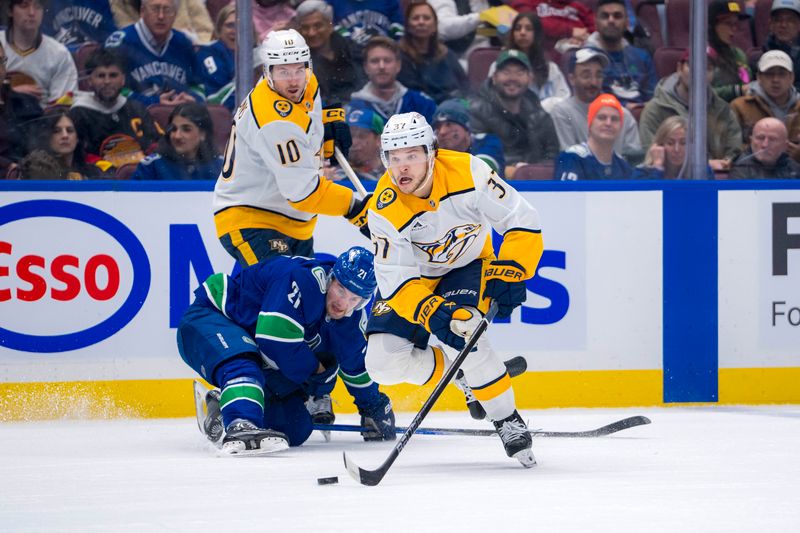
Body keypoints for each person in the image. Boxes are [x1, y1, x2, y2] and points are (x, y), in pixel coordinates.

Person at [364, 112, 542, 467]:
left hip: (467, 266)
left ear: (432, 152)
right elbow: (396, 279)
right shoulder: (383, 208)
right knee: (381, 364)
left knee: (466, 329)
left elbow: (520, 218)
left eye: (412, 155)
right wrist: (428, 309)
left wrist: (515, 268)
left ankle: (506, 418)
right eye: (394, 158)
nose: (403, 168)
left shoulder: (469, 172)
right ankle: (460, 373)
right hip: (415, 281)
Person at [177, 246, 396, 454]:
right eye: (340, 290)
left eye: (354, 299)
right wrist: (317, 372)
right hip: (212, 319)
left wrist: (374, 407)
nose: (343, 303)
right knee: (244, 366)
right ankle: (239, 423)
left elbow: (355, 368)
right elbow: (274, 339)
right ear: (331, 278)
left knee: (296, 427)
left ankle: (223, 405)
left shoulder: (351, 319)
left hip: (256, 347)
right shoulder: (303, 279)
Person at [213, 29, 368, 267]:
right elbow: (302, 193)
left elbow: (308, 117)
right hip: (253, 219)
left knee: (297, 300)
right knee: (281, 293)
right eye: (284, 71)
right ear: (268, 72)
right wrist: (355, 209)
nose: (294, 80)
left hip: (295, 223)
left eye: (299, 69)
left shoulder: (306, 83)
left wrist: (327, 124)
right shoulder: (274, 122)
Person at [639, 50, 743, 171]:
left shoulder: (724, 110)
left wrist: (726, 163)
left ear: (713, 75)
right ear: (679, 68)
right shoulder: (655, 109)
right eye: (693, 66)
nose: (699, 73)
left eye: (707, 68)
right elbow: (651, 155)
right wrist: (705, 164)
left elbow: (734, 154)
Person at [469, 49, 559, 177]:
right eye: (506, 72)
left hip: (535, 187)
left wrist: (531, 171)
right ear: (494, 77)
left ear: (530, 78)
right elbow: (477, 158)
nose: (513, 78)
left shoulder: (540, 115)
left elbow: (552, 157)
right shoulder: (477, 111)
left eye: (520, 73)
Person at [70, 48, 162, 168]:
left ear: (123, 79)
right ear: (89, 81)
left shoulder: (136, 108)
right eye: (101, 76)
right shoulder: (78, 113)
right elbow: (76, 158)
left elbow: (158, 144)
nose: (107, 81)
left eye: (113, 75)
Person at [104, 0, 204, 106]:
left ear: (175, 14)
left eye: (167, 10)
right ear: (142, 11)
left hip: (180, 115)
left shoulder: (184, 43)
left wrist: (193, 98)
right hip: (134, 116)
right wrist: (153, 103)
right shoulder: (121, 43)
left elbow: (198, 85)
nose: (161, 16)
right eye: (155, 9)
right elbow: (110, 87)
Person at [549, 47, 641, 158]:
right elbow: (569, 159)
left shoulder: (622, 115)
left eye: (598, 75)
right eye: (586, 76)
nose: (593, 82)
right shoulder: (563, 112)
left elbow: (635, 161)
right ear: (572, 79)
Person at [0, 0, 78, 106]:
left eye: (38, 6)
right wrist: (10, 93)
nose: (32, 12)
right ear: (10, 11)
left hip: (41, 119)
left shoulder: (59, 54)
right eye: (24, 6)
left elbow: (62, 108)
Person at [584, 0, 656, 111]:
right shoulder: (587, 58)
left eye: (617, 16)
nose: (611, 20)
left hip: (644, 115)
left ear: (627, 23)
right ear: (596, 23)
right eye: (605, 16)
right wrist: (624, 106)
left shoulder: (642, 56)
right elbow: (591, 98)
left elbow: (653, 94)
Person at [349, 36, 437, 123]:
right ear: (365, 67)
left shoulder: (422, 104)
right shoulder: (353, 109)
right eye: (375, 61)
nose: (381, 66)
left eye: (387, 60)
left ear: (398, 65)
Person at [396, 1, 469, 104]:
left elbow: (465, 86)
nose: (421, 22)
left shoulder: (447, 54)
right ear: (407, 26)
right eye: (415, 18)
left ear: (435, 25)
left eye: (426, 18)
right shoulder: (399, 56)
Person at [295, 0, 364, 106]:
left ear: (330, 25)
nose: (311, 33)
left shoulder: (350, 48)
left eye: (317, 26)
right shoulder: (299, 62)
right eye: (305, 27)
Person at [131, 102, 221, 180]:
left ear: (203, 134)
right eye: (173, 129)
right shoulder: (151, 166)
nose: (177, 136)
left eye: (186, 129)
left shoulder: (223, 167)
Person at [555, 93, 634, 180]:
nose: (608, 123)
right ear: (590, 124)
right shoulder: (572, 158)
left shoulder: (623, 166)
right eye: (602, 118)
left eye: (614, 119)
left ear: (620, 127)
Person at [505, 11, 571, 112]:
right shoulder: (500, 67)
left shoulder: (551, 69)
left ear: (537, 34)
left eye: (528, 29)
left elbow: (564, 99)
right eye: (518, 28)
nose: (522, 32)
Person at [731, 50, 800, 143]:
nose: (775, 80)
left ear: (792, 77)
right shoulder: (739, 106)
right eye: (769, 74)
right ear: (759, 77)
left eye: (782, 74)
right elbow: (731, 147)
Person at [28, 108, 111, 180]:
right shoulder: (36, 173)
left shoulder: (93, 173)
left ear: (78, 138)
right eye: (57, 131)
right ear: (47, 137)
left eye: (70, 130)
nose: (65, 136)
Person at [432, 98, 506, 178]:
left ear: (466, 127)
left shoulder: (487, 142)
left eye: (449, 124)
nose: (442, 132)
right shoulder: (432, 150)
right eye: (438, 126)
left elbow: (481, 173)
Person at [0, 39, 42, 178]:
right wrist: (7, 167)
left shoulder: (26, 105)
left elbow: (42, 152)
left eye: (1, 62)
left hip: (27, 184)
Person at [637, 116, 715, 180]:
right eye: (670, 143)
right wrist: (657, 167)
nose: (677, 149)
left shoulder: (701, 172)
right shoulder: (642, 173)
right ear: (660, 145)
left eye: (683, 143)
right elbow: (650, 197)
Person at [509, 0, 595, 53]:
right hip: (544, 52)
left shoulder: (578, 7)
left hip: (582, 49)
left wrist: (584, 37)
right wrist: (569, 31)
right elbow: (531, 22)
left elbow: (596, 26)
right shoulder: (527, 2)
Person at [708, 0, 752, 102]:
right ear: (713, 25)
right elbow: (700, 94)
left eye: (735, 24)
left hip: (737, 109)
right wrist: (735, 91)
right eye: (728, 24)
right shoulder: (701, 55)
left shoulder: (739, 55)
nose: (733, 30)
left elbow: (746, 83)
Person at [110, 0, 213, 44]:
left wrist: (194, 41)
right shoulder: (119, 3)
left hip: (185, 52)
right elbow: (130, 33)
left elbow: (207, 33)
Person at [196, 3, 238, 111]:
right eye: (230, 25)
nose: (235, 31)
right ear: (219, 29)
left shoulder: (256, 55)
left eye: (241, 26)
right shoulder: (208, 53)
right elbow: (216, 100)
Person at [327, 107, 385, 182]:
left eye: (361, 135)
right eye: (349, 135)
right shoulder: (330, 173)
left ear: (379, 140)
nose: (353, 142)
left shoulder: (392, 173)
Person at [730, 117, 800, 178]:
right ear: (751, 141)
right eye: (760, 138)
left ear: (785, 145)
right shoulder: (741, 167)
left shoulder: (793, 169)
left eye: (772, 139)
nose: (765, 145)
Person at [42, 0, 118, 51]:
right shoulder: (47, 3)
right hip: (56, 64)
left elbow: (114, 43)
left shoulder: (107, 3)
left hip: (97, 63)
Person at [764, 0, 800, 91]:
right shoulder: (758, 58)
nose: (783, 25)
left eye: (790, 20)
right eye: (778, 20)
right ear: (771, 24)